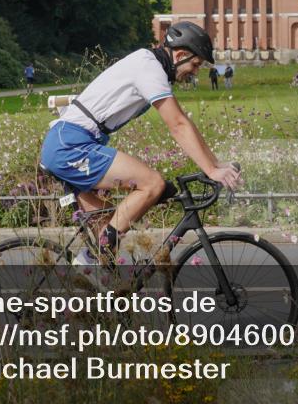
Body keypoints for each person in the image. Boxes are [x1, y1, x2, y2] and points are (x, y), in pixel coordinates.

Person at [40, 22, 241, 268]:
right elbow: (177, 124)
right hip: (71, 144)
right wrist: (211, 171)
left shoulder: (150, 65)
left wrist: (216, 163)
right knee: (152, 183)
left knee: (109, 242)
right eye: (196, 64)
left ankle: (90, 292)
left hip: (75, 142)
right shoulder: (149, 68)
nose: (196, 72)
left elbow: (184, 122)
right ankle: (90, 259)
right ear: (179, 55)